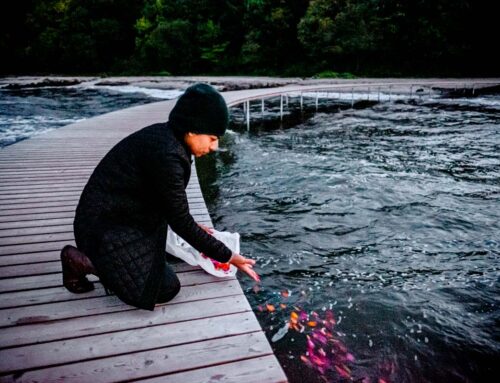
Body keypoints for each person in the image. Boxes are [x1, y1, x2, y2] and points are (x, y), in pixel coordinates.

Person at [60, 83, 259, 311]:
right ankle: (80, 261)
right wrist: (229, 256)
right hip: (104, 228)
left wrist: (195, 228)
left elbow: (171, 205)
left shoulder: (169, 138)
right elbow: (180, 222)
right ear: (192, 130)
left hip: (127, 215)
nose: (215, 147)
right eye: (212, 138)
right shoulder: (167, 155)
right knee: (164, 288)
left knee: (169, 257)